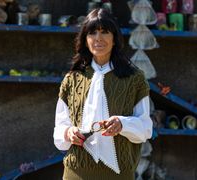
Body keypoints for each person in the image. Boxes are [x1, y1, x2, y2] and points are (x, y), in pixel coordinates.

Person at [53, 8, 153, 180]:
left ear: (114, 39)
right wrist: (68, 132)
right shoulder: (72, 79)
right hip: (76, 172)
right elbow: (58, 131)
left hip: (119, 174)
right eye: (92, 33)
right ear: (85, 39)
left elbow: (145, 128)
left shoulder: (134, 79)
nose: (98, 38)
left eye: (104, 32)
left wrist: (122, 124)